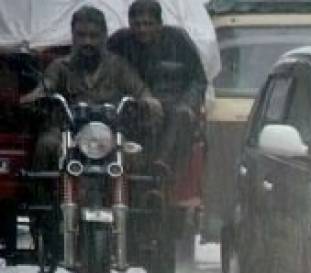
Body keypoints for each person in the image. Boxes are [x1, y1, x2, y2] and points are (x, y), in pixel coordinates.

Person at [22, 6, 162, 171]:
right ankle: (42, 196)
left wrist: (149, 102)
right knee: (47, 145)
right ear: (73, 36)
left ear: (104, 37)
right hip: (68, 132)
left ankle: (140, 196)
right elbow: (46, 86)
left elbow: (140, 90)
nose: (87, 42)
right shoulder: (60, 66)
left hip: (109, 133)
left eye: (93, 36)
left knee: (134, 153)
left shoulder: (119, 66)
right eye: (81, 35)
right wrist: (35, 97)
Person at [107, 0, 207, 175]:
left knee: (180, 115)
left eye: (148, 24)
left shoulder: (179, 40)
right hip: (133, 108)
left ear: (160, 24)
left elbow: (198, 80)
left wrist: (189, 104)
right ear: (130, 24)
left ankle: (162, 166)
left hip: (174, 107)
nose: (142, 29)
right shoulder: (119, 42)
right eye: (137, 24)